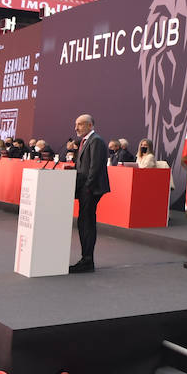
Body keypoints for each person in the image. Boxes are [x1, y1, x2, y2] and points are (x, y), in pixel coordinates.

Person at [70, 113, 110, 273]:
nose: (76, 128)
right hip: (84, 188)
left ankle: (87, 260)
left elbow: (95, 167)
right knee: (83, 222)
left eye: (79, 124)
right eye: (76, 124)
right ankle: (85, 258)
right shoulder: (85, 141)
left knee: (87, 223)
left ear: (90, 125)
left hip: (91, 189)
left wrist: (87, 187)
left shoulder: (96, 141)